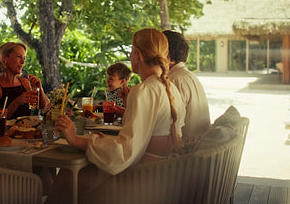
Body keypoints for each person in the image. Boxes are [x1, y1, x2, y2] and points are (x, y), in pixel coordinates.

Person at [47, 28, 186, 204]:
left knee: (69, 179)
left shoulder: (144, 91)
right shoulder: (170, 89)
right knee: (80, 175)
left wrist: (75, 139)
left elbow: (125, 152)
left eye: (131, 51)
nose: (129, 55)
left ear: (137, 55)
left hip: (145, 182)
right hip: (163, 177)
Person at [163, 30, 210, 142]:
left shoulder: (174, 80)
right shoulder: (188, 76)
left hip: (186, 153)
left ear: (167, 56)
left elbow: (167, 127)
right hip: (197, 148)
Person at [0, 42, 49, 119]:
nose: (23, 62)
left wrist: (40, 89)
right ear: (5, 59)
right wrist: (17, 102)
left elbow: (45, 108)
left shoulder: (25, 83)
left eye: (24, 58)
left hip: (29, 128)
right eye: (19, 57)